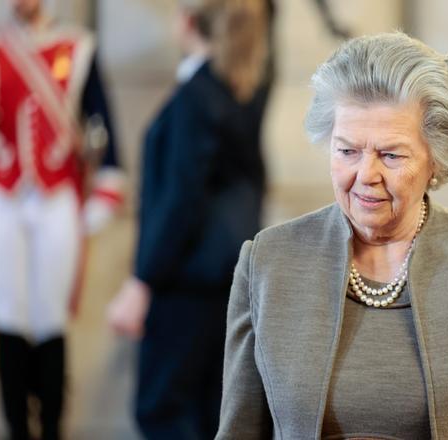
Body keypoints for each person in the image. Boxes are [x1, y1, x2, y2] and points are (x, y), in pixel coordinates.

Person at [217, 32, 448, 439]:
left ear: (437, 158)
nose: (366, 175)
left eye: (391, 155)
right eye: (347, 151)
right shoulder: (268, 264)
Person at [106, 0, 268, 438]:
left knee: (161, 410)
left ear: (188, 23)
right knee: (209, 412)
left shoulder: (196, 96)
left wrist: (142, 281)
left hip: (185, 282)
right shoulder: (236, 89)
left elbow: (180, 200)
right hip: (222, 280)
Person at [0, 0, 123, 438]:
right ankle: (16, 426)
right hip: (5, 198)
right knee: (8, 314)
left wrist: (102, 193)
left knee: (49, 316)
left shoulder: (77, 48)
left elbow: (103, 129)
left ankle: (54, 425)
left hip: (56, 197)